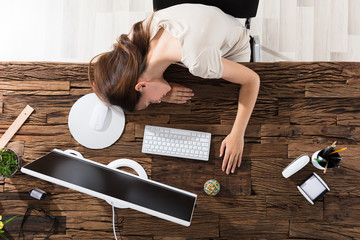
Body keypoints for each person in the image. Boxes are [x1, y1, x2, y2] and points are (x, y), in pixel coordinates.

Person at [89, 4, 260, 175]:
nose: (158, 101)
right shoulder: (134, 39)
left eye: (150, 102)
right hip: (207, 26)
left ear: (141, 85)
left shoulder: (199, 63)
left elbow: (252, 80)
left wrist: (237, 135)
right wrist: (160, 89)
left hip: (234, 47)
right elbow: (109, 73)